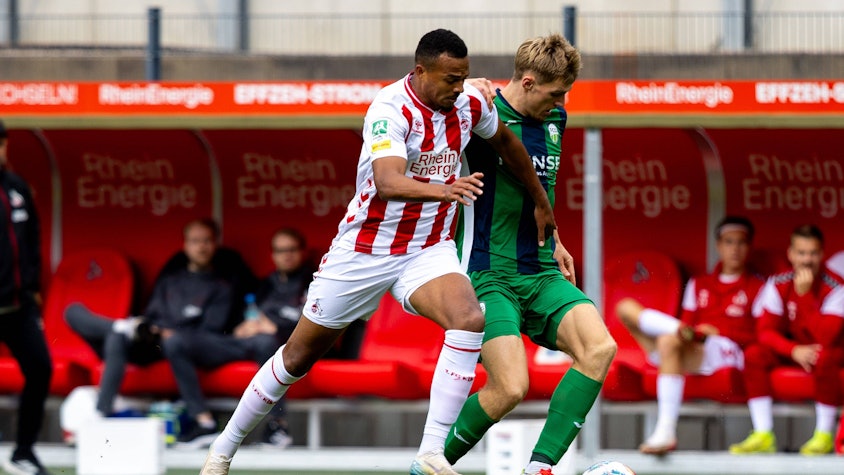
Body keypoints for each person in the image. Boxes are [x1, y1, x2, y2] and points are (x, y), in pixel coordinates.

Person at [200, 28, 556, 475]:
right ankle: (223, 449)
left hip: (427, 249)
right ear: (420, 71)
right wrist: (444, 189)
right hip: (365, 251)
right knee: (297, 358)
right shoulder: (389, 109)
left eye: (464, 78)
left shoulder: (469, 104)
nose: (458, 88)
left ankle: (431, 454)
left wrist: (542, 202)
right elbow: (387, 182)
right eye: (450, 79)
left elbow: (505, 143)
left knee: (468, 318)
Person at [440, 34, 617, 475]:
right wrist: (468, 90)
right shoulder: (478, 113)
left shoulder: (556, 118)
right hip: (486, 273)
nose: (562, 100)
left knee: (599, 348)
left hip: (539, 270)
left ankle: (540, 469)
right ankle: (433, 464)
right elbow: (426, 100)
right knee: (510, 387)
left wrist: (555, 240)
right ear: (528, 80)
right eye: (556, 92)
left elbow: (541, 191)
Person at [65, 218, 246, 447]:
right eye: (195, 241)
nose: (201, 247)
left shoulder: (222, 286)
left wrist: (170, 333)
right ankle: (102, 413)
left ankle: (204, 421)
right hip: (151, 342)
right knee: (84, 318)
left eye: (206, 241)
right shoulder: (170, 280)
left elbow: (208, 333)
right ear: (185, 245)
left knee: (173, 342)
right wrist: (149, 329)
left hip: (182, 347)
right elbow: (151, 315)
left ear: (215, 244)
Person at [616, 216, 765, 455]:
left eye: (741, 243)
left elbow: (762, 334)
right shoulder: (700, 283)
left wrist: (719, 332)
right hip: (689, 344)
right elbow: (689, 323)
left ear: (749, 247)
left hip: (726, 350)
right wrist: (690, 332)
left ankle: (665, 431)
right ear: (719, 245)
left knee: (668, 340)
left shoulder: (759, 286)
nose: (735, 249)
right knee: (625, 307)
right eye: (729, 242)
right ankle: (674, 329)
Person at [729, 224, 844, 456]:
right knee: (754, 354)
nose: (807, 260)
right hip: (794, 351)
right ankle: (763, 434)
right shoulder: (779, 282)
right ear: (790, 254)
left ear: (822, 254)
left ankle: (823, 435)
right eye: (801, 253)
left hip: (824, 352)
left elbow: (827, 337)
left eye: (813, 253)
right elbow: (765, 331)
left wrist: (804, 297)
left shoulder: (836, 286)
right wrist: (792, 350)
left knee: (826, 355)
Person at [0, 120, 54, 475]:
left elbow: (32, 243)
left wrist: (33, 291)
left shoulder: (17, 187)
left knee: (40, 368)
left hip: (17, 306)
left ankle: (23, 451)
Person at [232, 227, 314, 448]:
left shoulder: (314, 281)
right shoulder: (266, 284)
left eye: (291, 249)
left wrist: (274, 328)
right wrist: (244, 328)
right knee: (193, 343)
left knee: (269, 344)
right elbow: (252, 314)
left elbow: (314, 326)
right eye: (280, 250)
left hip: (290, 349)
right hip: (254, 343)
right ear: (273, 255)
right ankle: (202, 422)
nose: (286, 255)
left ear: (302, 252)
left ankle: (277, 426)